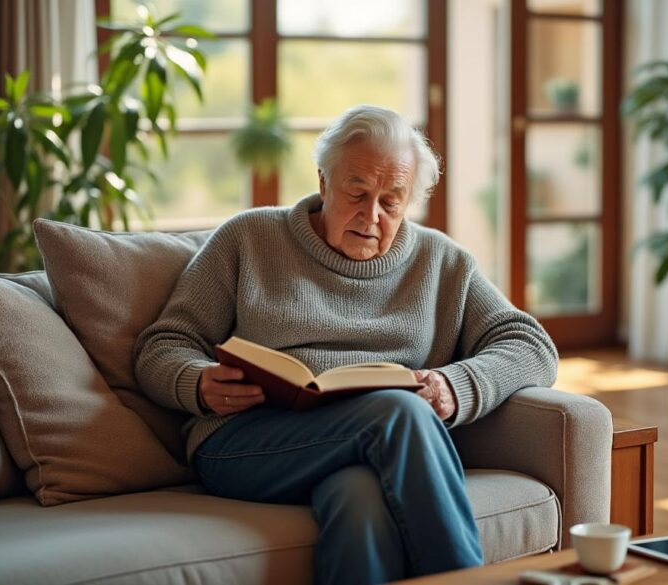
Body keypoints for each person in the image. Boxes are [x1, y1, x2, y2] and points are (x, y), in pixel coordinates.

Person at [134, 105, 558, 585]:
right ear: (323, 181)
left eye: (391, 201)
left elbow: (532, 344)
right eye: (356, 192)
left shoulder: (442, 261)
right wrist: (198, 383)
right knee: (400, 413)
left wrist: (456, 385)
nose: (371, 215)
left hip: (366, 449)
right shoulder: (249, 238)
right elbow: (162, 345)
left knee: (359, 498)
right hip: (246, 444)